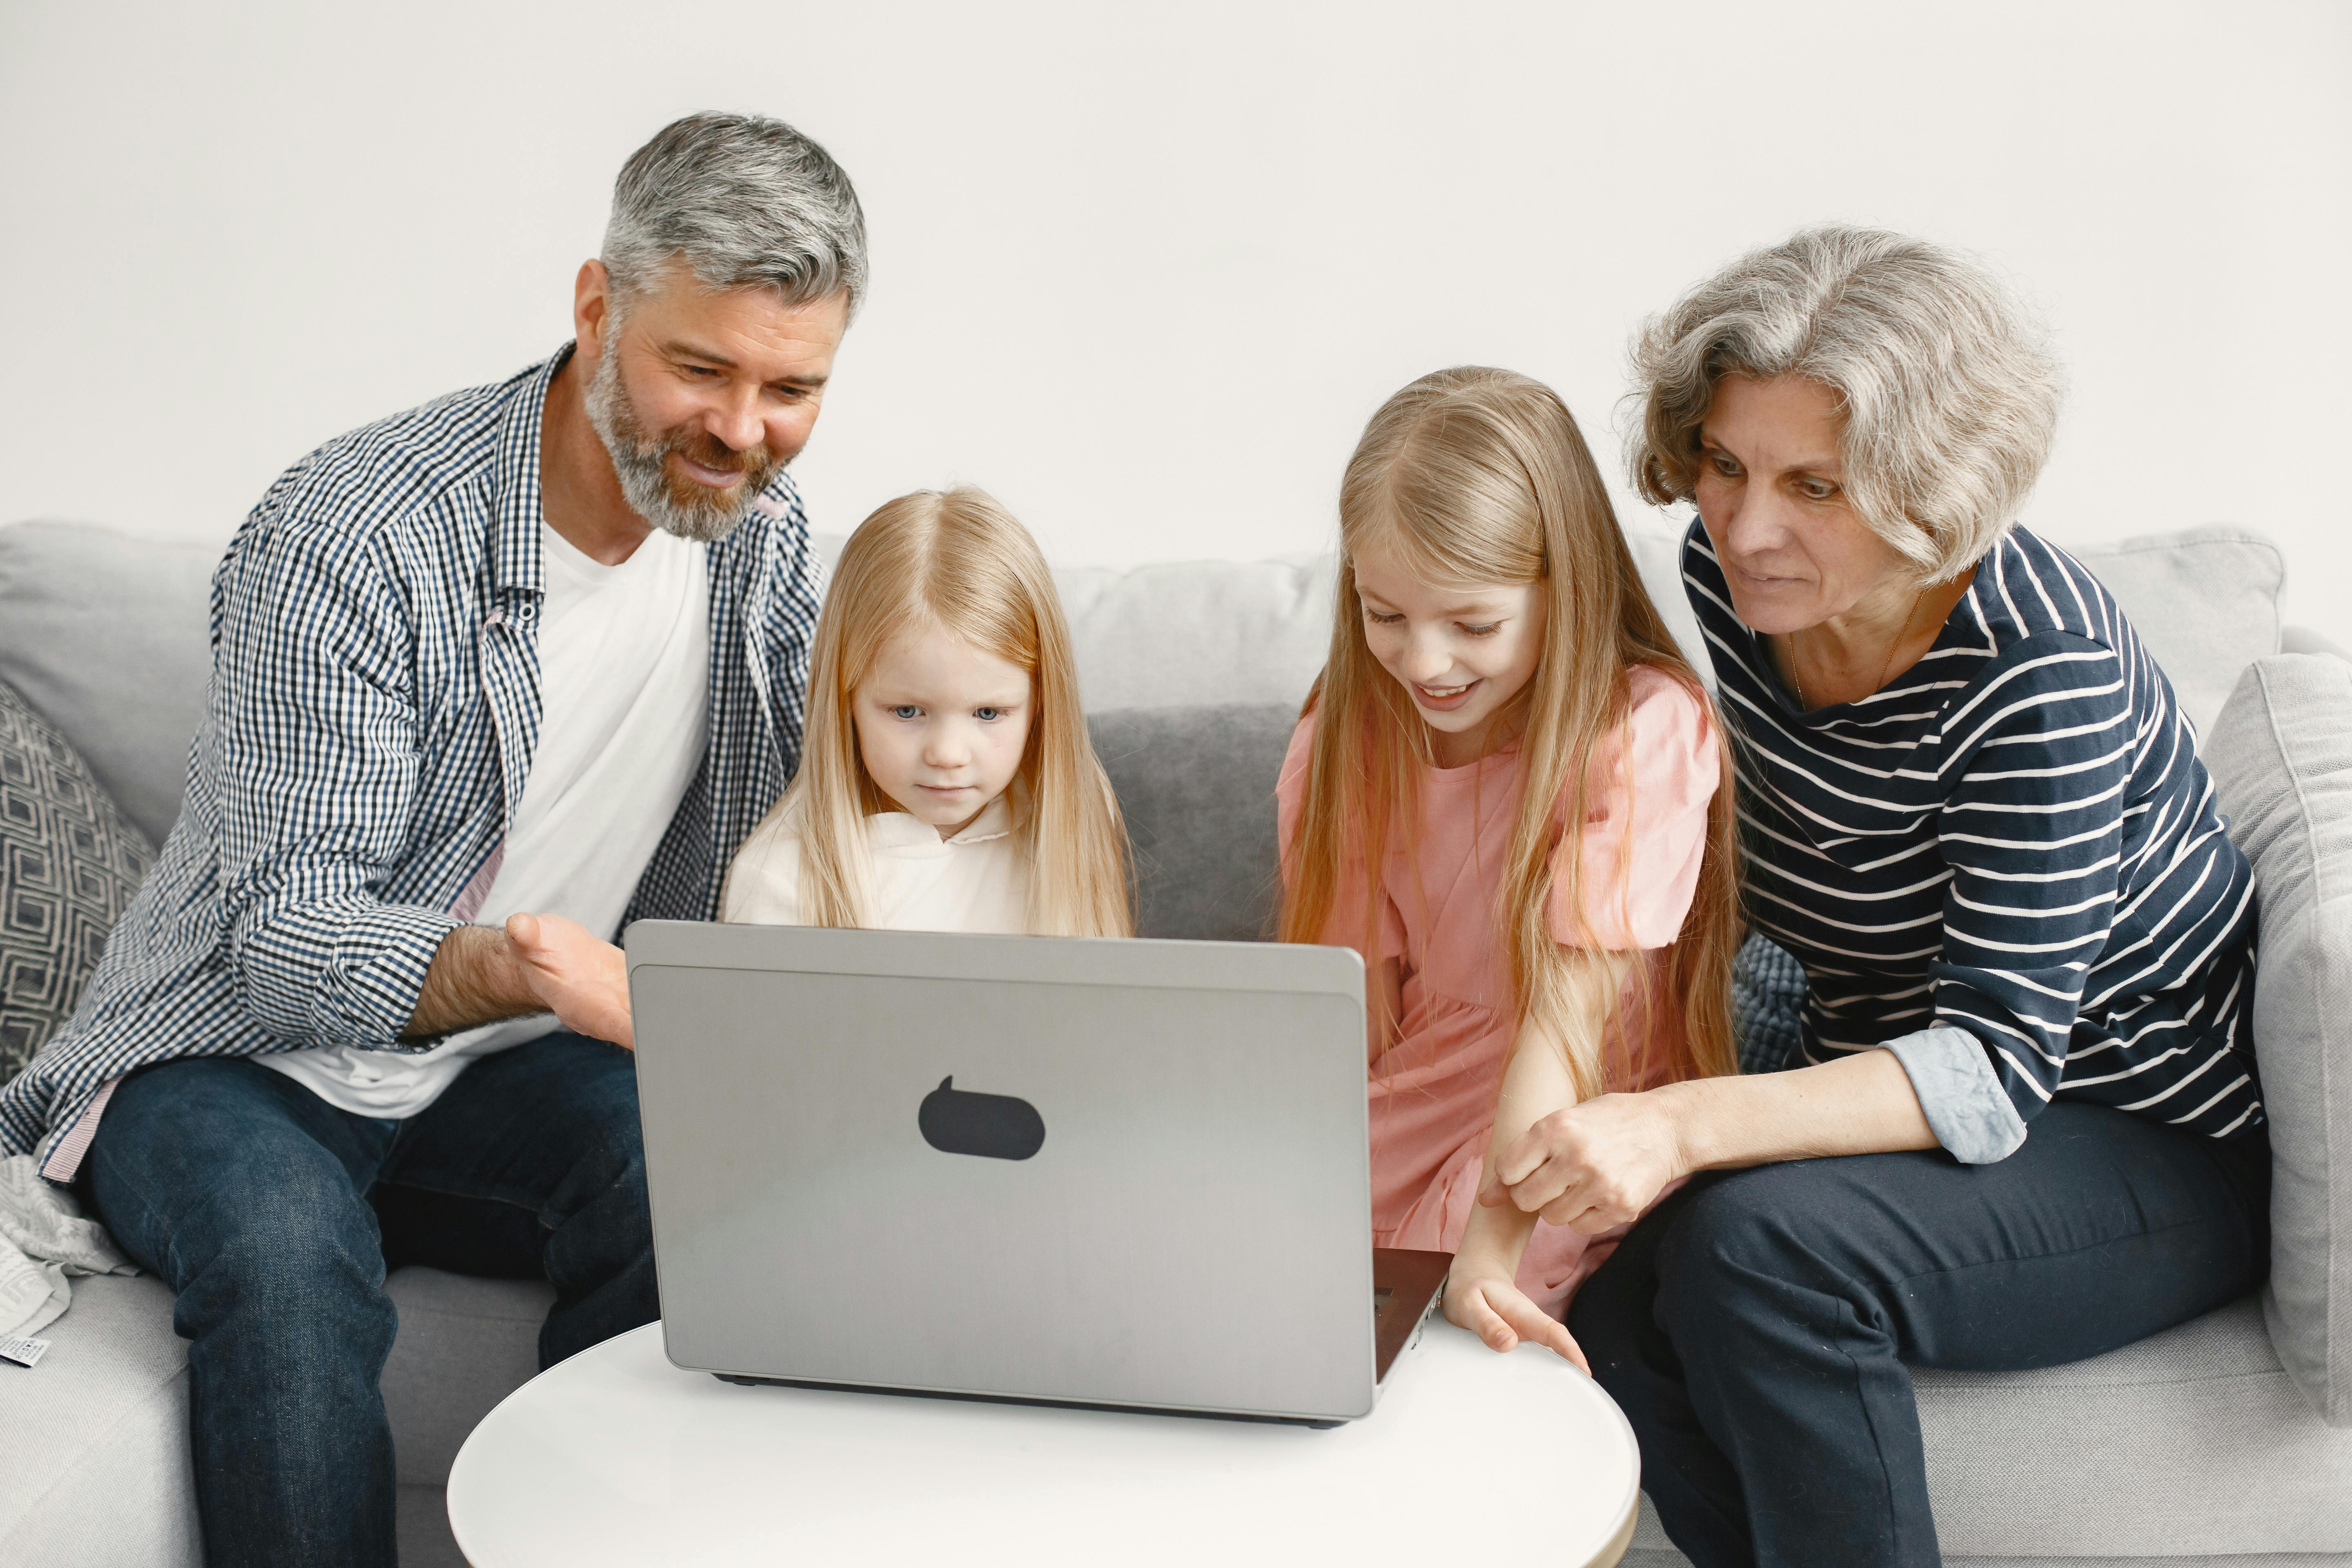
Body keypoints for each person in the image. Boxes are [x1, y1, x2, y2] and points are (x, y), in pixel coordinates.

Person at [0, 112, 865, 1566]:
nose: (743, 430)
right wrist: (543, 969)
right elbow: (281, 941)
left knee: (696, 1180)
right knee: (285, 1252)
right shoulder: (358, 529)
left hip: (492, 1080)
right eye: (700, 369)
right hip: (224, 1062)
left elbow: (832, 814)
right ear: (597, 307)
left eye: (794, 388)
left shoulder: (762, 540)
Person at [1501, 227, 2270, 1568]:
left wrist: (1680, 1124)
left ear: (1934, 494)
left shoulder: (2043, 675)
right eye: (1726, 466)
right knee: (1612, 1309)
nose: (1746, 527)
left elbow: (1990, 1070)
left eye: (1817, 485)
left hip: (2139, 1132)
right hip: (1888, 1092)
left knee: (1761, 1250)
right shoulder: (1734, 588)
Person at [1274, 367, 1743, 1358]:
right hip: (1414, 1088)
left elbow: (1566, 1027)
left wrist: (1486, 1253)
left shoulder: (1644, 730)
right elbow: (1348, 1008)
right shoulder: (1348, 735)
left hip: (1565, 1107)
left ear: (1561, 585)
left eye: (1473, 625)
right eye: (1385, 614)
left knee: (1449, 1307)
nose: (1425, 663)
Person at [526, 484, 1132, 1025]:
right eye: (907, 712)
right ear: (844, 699)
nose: (948, 754)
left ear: (1042, 704)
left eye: (989, 715)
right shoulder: (787, 871)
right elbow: (762, 1073)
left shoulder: (1073, 823)